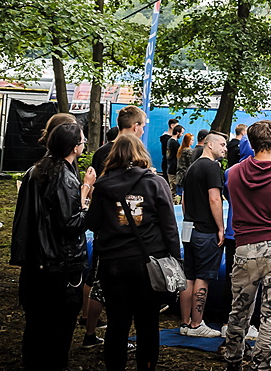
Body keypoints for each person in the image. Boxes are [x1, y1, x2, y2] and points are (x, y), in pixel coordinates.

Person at [86, 133, 181, 371]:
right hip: (149, 261)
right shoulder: (156, 183)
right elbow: (169, 226)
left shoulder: (103, 185)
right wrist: (176, 260)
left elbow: (93, 223)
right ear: (141, 154)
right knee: (147, 323)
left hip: (113, 261)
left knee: (117, 323)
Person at [10, 121, 96, 371]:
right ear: (74, 147)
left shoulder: (36, 170)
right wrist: (87, 199)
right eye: (82, 141)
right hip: (59, 263)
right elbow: (71, 223)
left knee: (36, 325)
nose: (84, 145)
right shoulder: (63, 177)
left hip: (36, 260)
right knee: (59, 327)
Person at [221, 120, 271, 371]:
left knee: (239, 310)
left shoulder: (233, 174)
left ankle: (233, 360)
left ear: (251, 144)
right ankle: (261, 364)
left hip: (244, 248)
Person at [179, 130, 227, 337]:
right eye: (222, 144)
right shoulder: (212, 167)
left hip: (188, 228)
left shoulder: (192, 167)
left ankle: (185, 322)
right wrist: (220, 228)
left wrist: (189, 217)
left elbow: (183, 200)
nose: (225, 149)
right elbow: (214, 199)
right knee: (202, 277)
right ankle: (197, 324)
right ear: (210, 144)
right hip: (205, 231)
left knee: (188, 276)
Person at [80, 124, 120, 347]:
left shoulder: (100, 156)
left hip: (105, 230)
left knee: (95, 278)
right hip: (108, 233)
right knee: (97, 279)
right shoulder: (110, 182)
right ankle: (89, 326)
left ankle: (88, 321)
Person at [92, 106, 146, 176]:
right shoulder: (136, 153)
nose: (143, 132)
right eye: (142, 127)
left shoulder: (100, 152)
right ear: (136, 127)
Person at [174, 132, 194, 198]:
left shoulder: (180, 149)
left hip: (179, 175)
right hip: (185, 176)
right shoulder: (189, 151)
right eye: (191, 140)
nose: (193, 141)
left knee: (179, 195)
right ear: (188, 141)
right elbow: (191, 163)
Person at [165, 124, 183, 192]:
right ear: (178, 132)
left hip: (171, 167)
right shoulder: (174, 143)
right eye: (181, 133)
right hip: (173, 168)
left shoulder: (171, 141)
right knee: (174, 190)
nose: (181, 135)